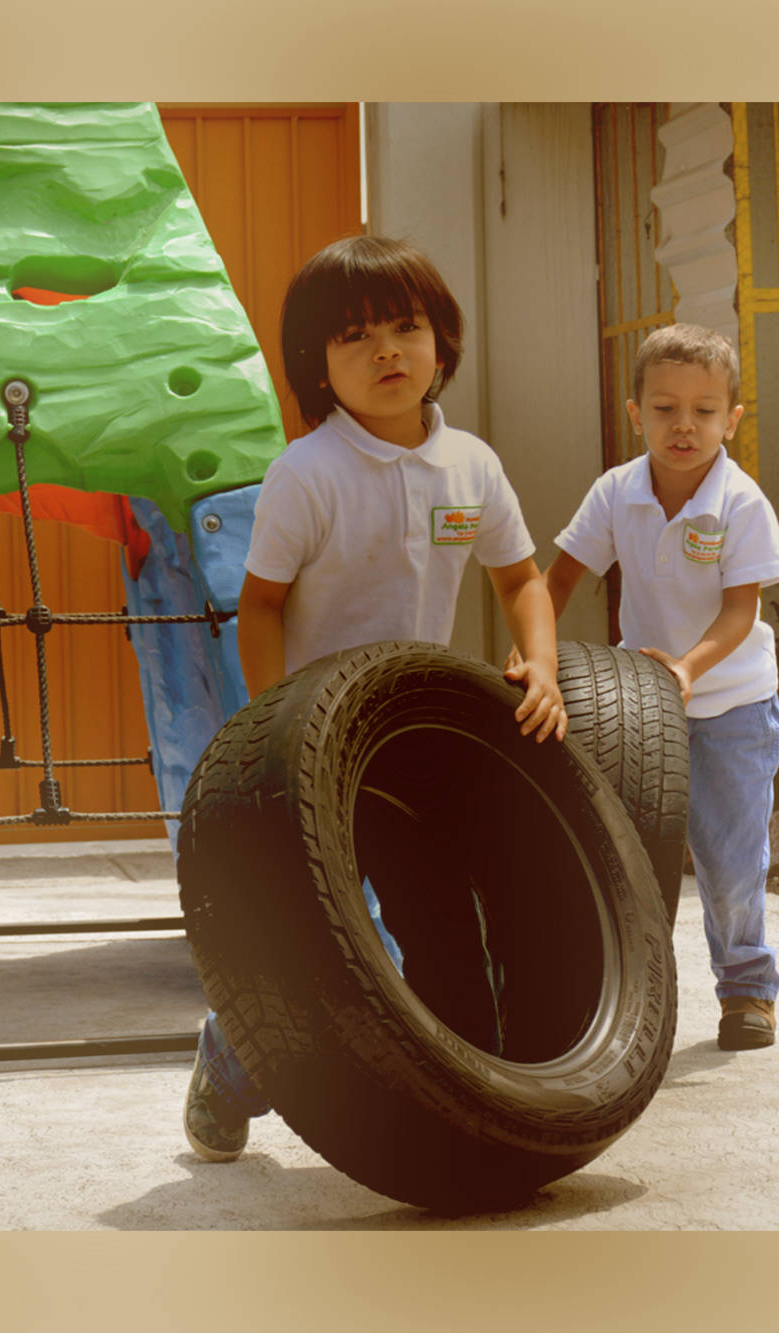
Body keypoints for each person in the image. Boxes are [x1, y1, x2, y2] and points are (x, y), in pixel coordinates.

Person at [185, 234, 567, 1162]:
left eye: (406, 325)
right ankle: (228, 1061)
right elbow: (263, 604)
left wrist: (541, 665)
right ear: (317, 365)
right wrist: (274, 733)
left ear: (443, 341)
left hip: (410, 735)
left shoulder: (469, 467)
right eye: (354, 336)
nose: (387, 350)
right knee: (307, 932)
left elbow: (520, 580)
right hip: (313, 738)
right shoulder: (308, 475)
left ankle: (467, 1098)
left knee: (437, 914)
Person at [538, 323, 779, 1052]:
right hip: (639, 709)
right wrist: (535, 657)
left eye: (705, 410)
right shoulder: (616, 492)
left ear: (732, 419)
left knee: (729, 861)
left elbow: (741, 610)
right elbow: (557, 581)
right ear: (634, 412)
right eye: (664, 408)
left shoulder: (740, 503)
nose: (684, 426)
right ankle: (626, 999)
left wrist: (687, 668)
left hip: (732, 705)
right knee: (624, 857)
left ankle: (747, 987)